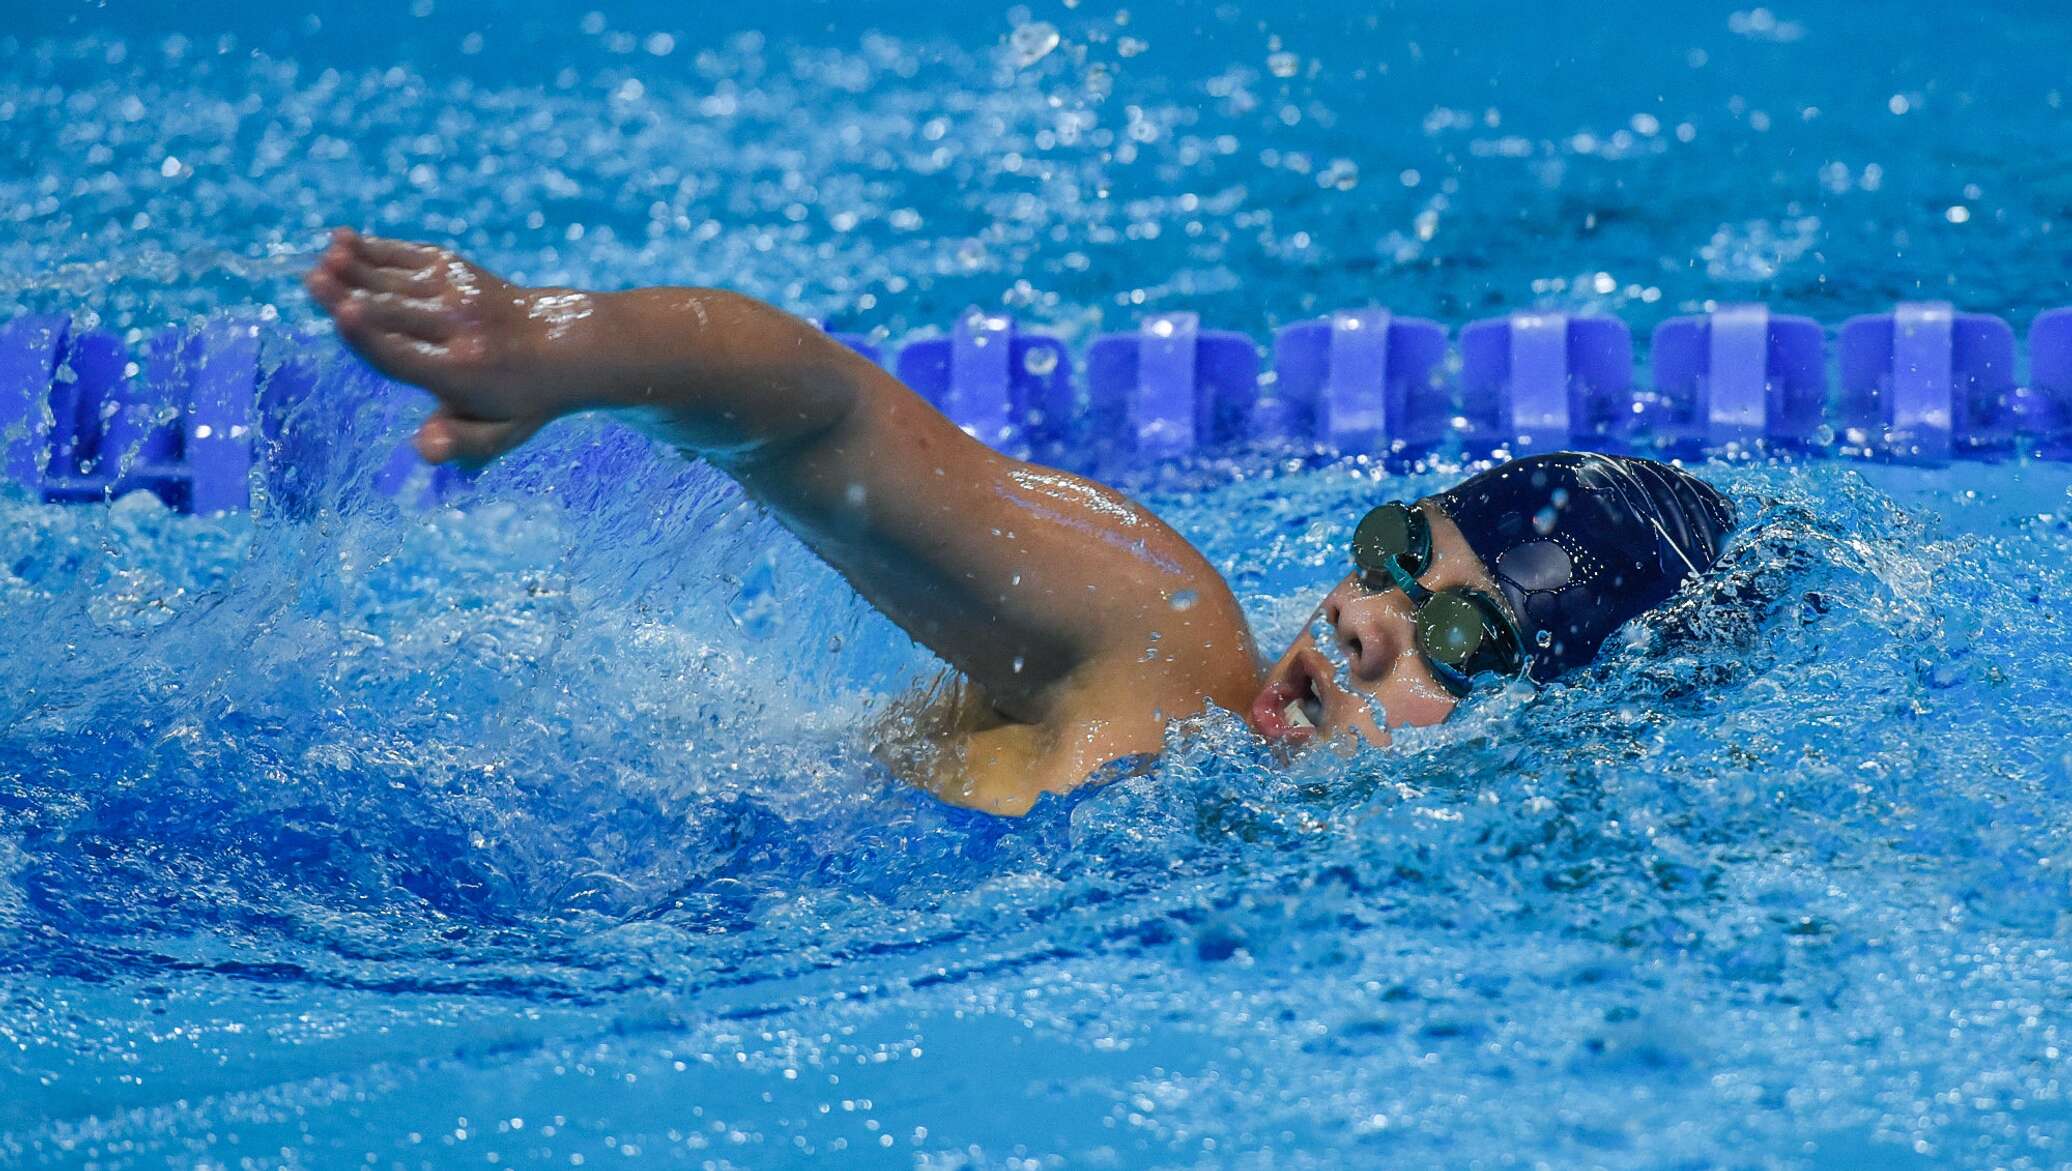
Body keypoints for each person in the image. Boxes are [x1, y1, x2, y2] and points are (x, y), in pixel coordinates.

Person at [305, 229, 1736, 815]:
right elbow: (833, 419)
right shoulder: (1153, 646)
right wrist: (577, 346)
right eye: (1399, 556)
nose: (1364, 620)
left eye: (1459, 637)